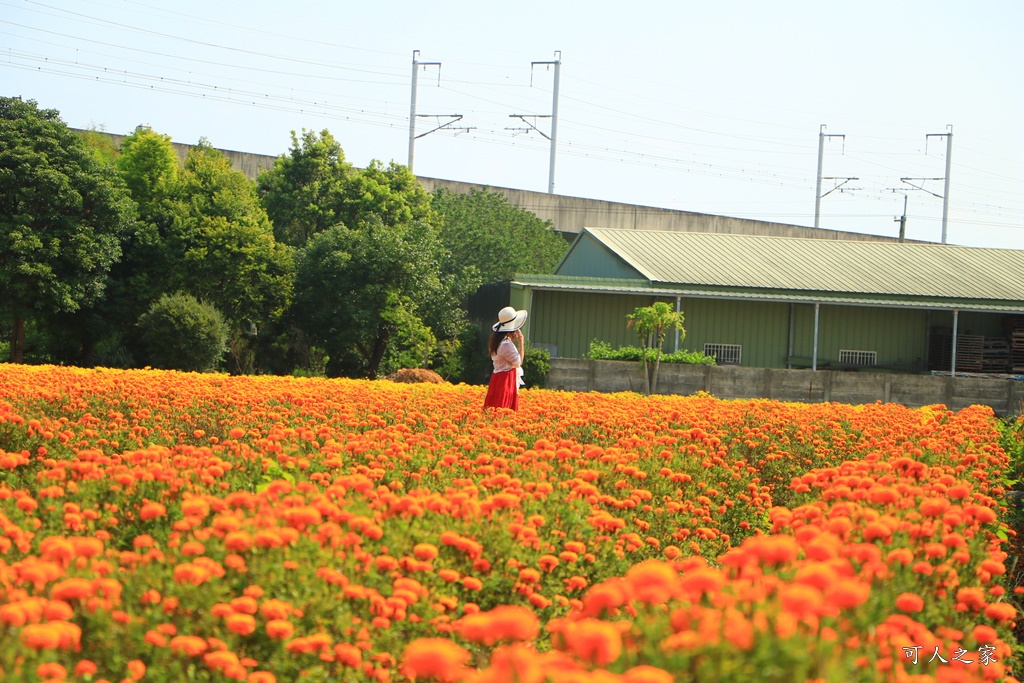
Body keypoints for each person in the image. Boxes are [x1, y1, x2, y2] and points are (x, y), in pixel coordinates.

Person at [483, 306, 527, 411]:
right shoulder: (506, 344)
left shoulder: (495, 342)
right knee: (503, 408)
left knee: (494, 407)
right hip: (506, 379)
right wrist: (521, 342)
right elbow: (518, 362)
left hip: (497, 377)